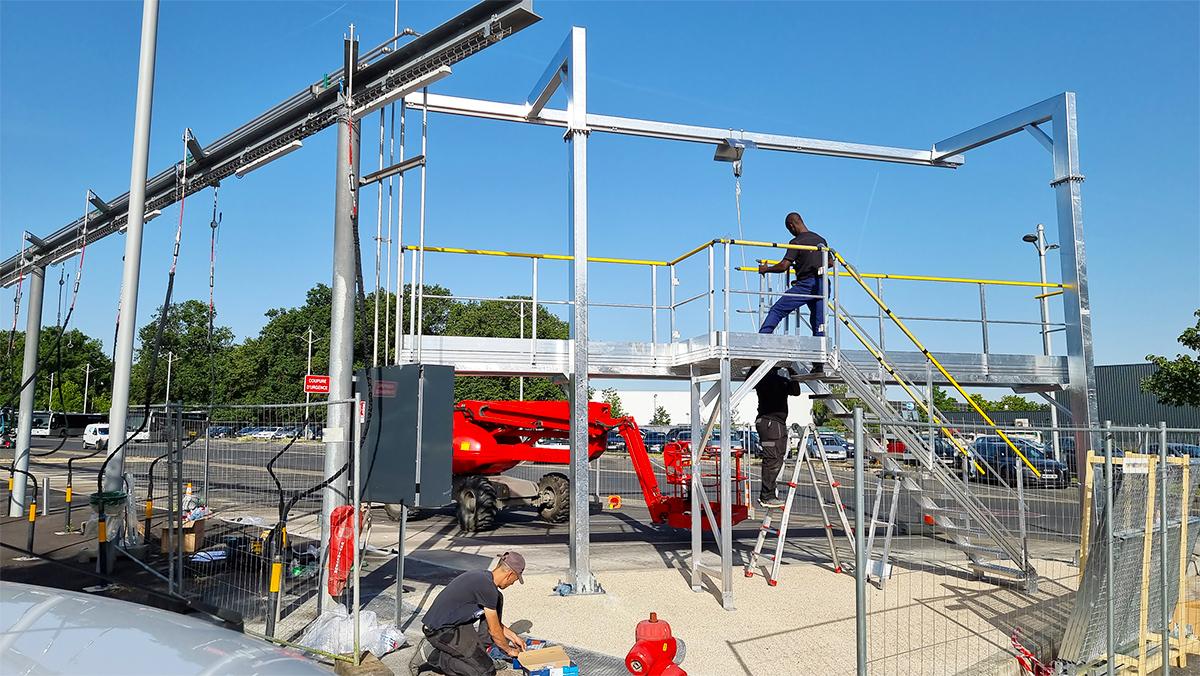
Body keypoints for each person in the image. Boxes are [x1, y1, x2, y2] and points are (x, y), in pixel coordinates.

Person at [415, 551, 527, 676]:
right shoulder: (487, 588)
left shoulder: (484, 579)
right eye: (515, 580)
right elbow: (495, 631)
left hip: (457, 625)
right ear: (510, 575)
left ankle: (478, 656)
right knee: (484, 672)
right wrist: (509, 650)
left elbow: (494, 623)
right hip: (440, 631)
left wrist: (513, 637)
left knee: (498, 598)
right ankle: (433, 656)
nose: (512, 584)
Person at [757, 212, 831, 371]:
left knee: (777, 310)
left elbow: (784, 266)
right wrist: (810, 268)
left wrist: (766, 269)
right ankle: (819, 365)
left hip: (806, 285)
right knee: (819, 324)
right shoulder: (820, 239)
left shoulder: (797, 242)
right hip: (822, 283)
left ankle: (761, 343)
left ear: (791, 226)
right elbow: (830, 262)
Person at [754, 367, 801, 507]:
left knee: (775, 457)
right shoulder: (777, 381)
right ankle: (767, 495)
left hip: (773, 423)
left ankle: (768, 494)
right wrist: (792, 372)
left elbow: (795, 391)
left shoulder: (762, 379)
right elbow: (796, 391)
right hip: (771, 423)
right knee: (773, 459)